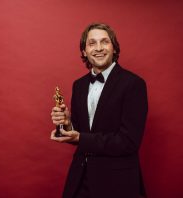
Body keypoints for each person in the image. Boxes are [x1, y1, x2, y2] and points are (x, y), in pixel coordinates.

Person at [50, 23, 148, 198]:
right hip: (80, 181)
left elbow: (128, 142)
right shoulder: (78, 85)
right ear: (84, 51)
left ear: (114, 48)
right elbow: (80, 135)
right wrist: (67, 124)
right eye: (92, 43)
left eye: (105, 42)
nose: (99, 48)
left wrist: (80, 137)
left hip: (117, 184)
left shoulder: (134, 84)